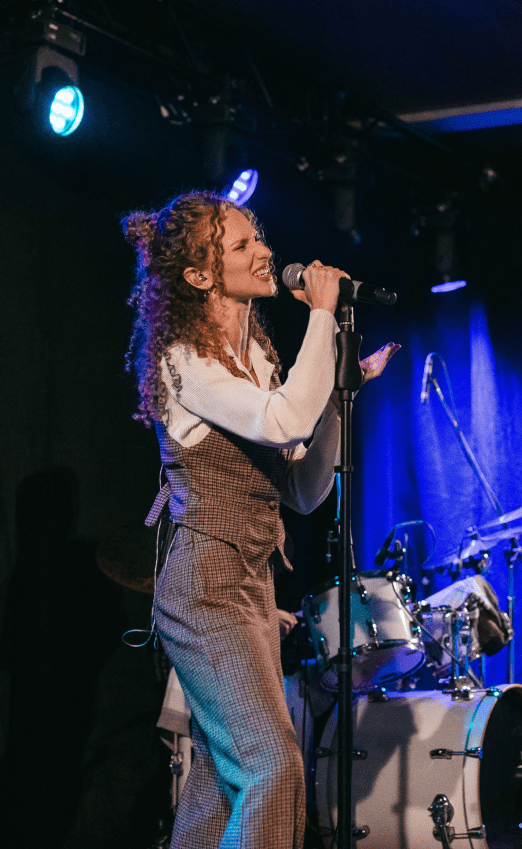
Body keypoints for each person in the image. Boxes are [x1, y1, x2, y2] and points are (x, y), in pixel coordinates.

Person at [124, 191, 396, 849]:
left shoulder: (259, 358)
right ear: (199, 276)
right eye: (243, 245)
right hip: (205, 587)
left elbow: (302, 491)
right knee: (273, 767)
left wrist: (338, 399)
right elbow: (283, 420)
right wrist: (322, 316)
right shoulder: (183, 360)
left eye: (259, 237)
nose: (266, 251)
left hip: (250, 585)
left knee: (219, 786)